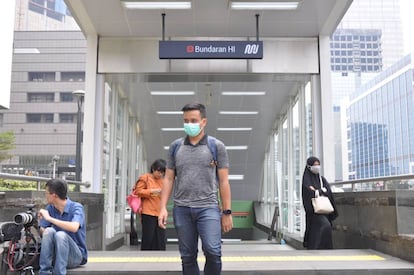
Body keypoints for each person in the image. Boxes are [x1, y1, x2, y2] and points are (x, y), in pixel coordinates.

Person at [158, 102, 233, 275]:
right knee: (187, 256)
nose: (189, 124)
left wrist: (227, 212)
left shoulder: (216, 146)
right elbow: (169, 178)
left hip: (208, 208)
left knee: (213, 252)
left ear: (204, 122)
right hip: (182, 209)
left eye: (193, 120)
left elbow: (224, 181)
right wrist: (162, 207)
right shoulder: (176, 147)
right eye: (186, 120)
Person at [38, 178, 88, 275]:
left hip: (75, 256)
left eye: (46, 193)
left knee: (60, 235)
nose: (45, 196)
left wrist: (49, 219)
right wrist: (38, 223)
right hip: (57, 255)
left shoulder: (76, 207)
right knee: (49, 231)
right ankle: (44, 272)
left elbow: (74, 227)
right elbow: (43, 232)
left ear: (54, 195)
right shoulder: (51, 208)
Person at [301, 156, 338, 249]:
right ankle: (316, 247)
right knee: (324, 226)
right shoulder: (306, 180)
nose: (317, 167)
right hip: (313, 211)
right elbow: (309, 193)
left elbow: (327, 191)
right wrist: (320, 191)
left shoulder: (321, 179)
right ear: (309, 166)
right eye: (314, 165)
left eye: (318, 165)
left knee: (322, 227)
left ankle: (321, 247)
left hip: (323, 210)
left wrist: (318, 191)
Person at [134, 158, 167, 250]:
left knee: (160, 238)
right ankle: (145, 256)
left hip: (159, 212)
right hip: (148, 212)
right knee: (148, 237)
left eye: (162, 172)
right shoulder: (145, 178)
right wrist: (152, 191)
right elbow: (137, 191)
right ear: (153, 169)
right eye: (158, 171)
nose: (160, 174)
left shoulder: (163, 181)